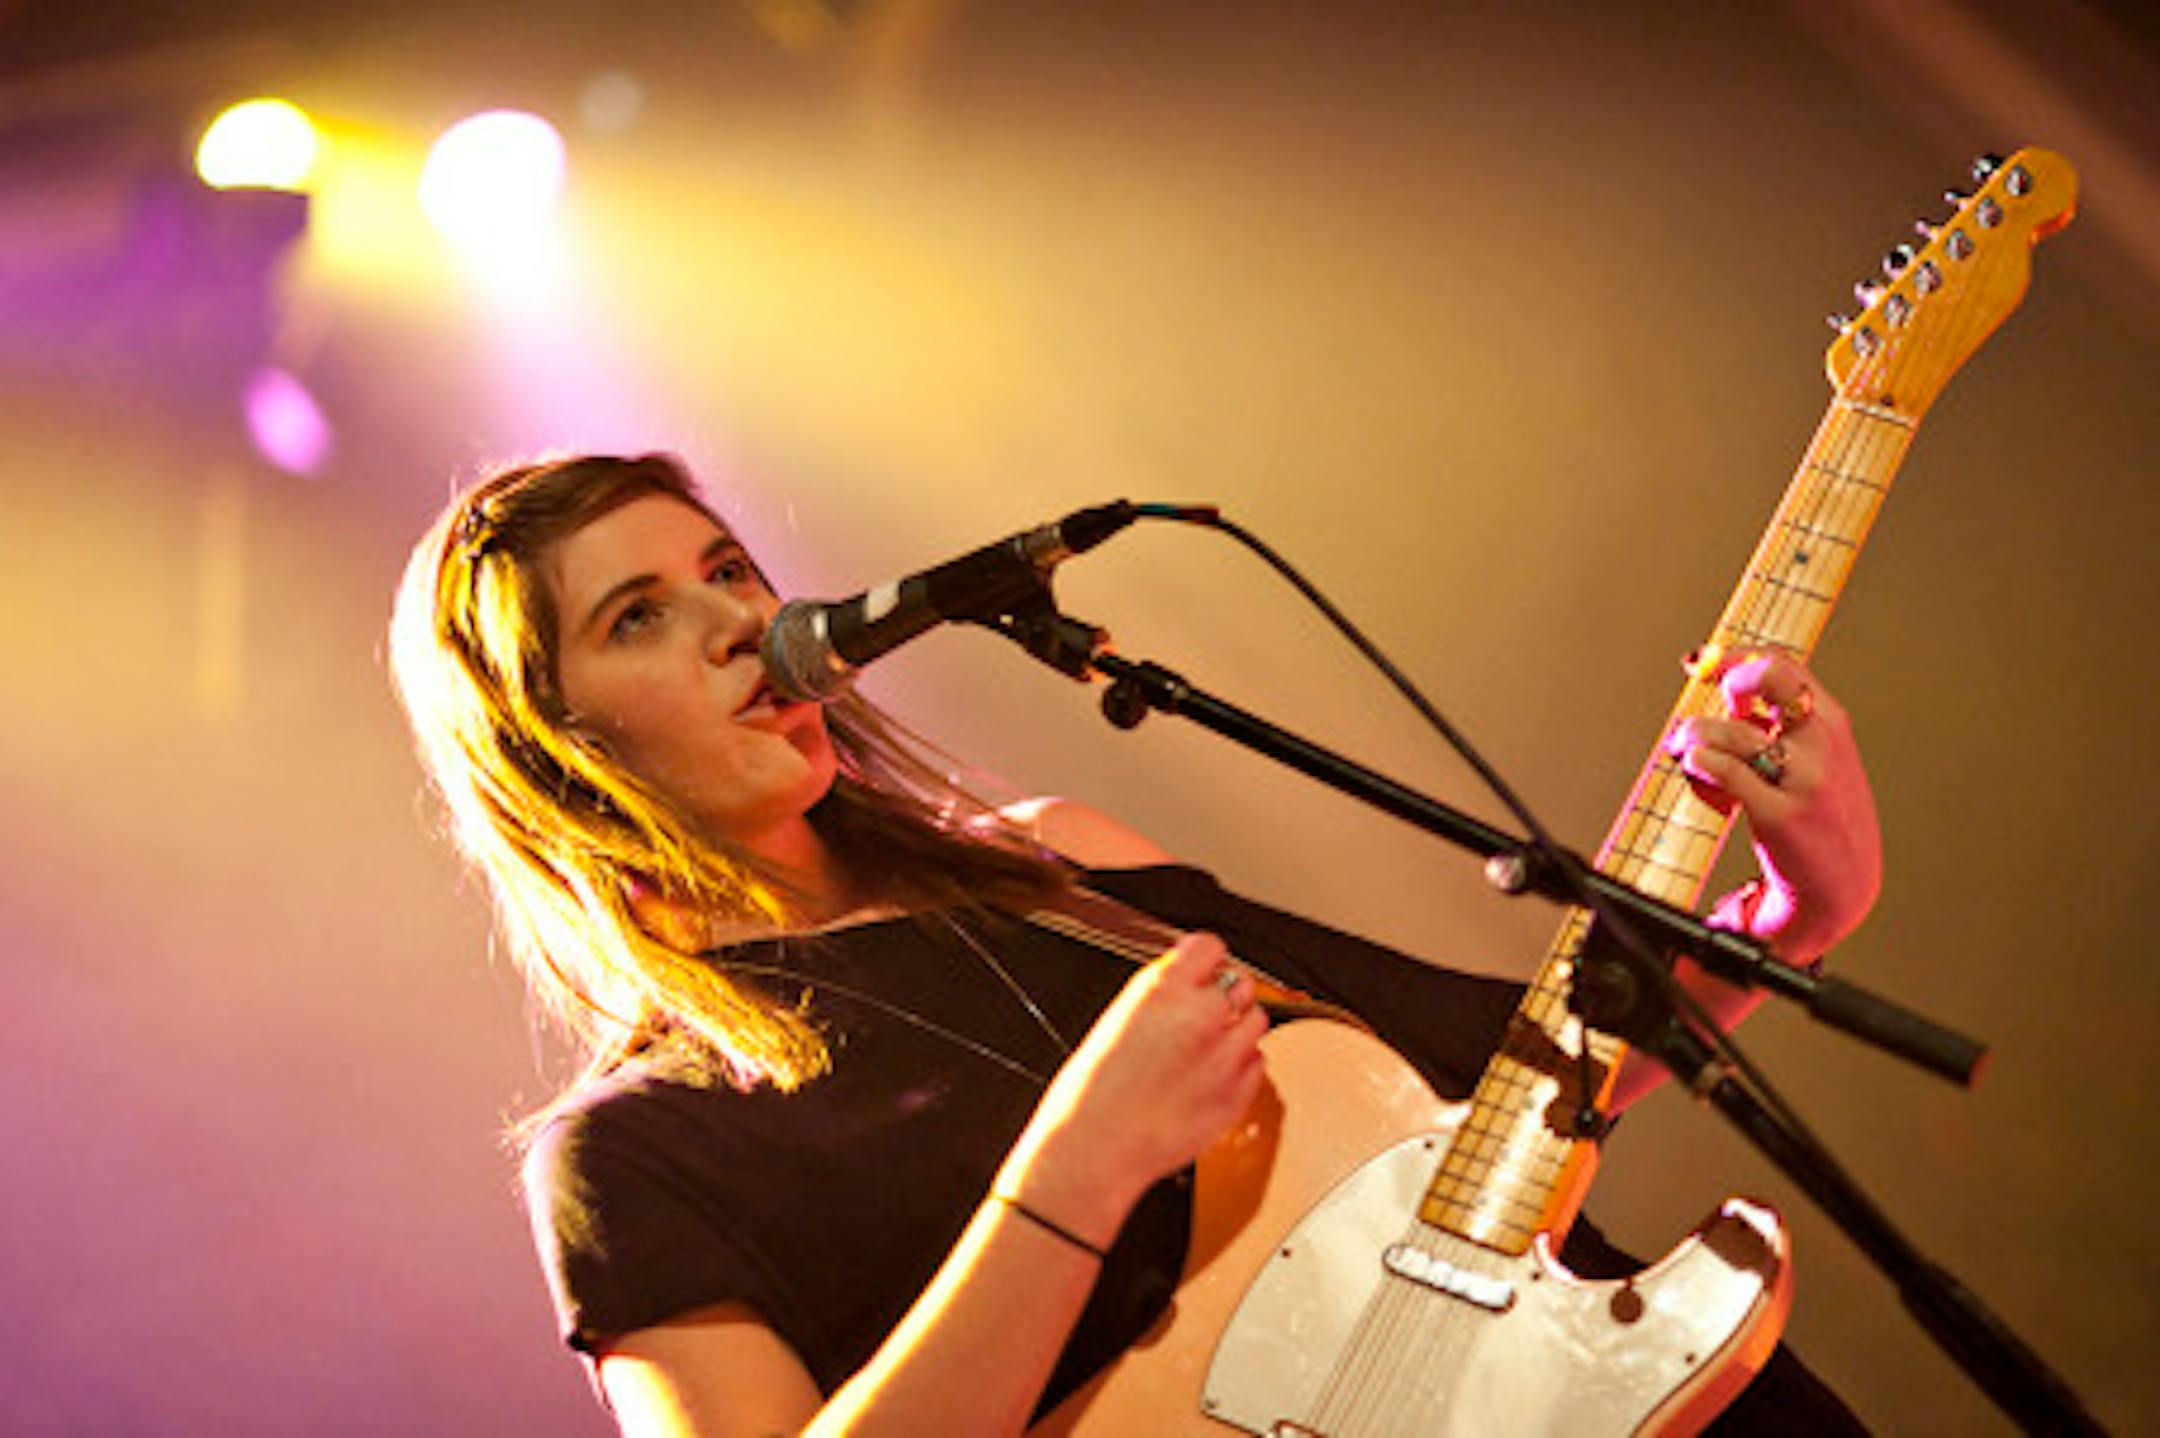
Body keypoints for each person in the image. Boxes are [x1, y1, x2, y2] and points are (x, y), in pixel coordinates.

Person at [389, 452, 1882, 1436]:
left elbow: (1502, 1092)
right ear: (551, 744)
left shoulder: (1059, 863)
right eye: (639, 614)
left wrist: (1797, 902)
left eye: (728, 569)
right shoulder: (634, 1151)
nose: (737, 621)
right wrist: (1074, 1171)